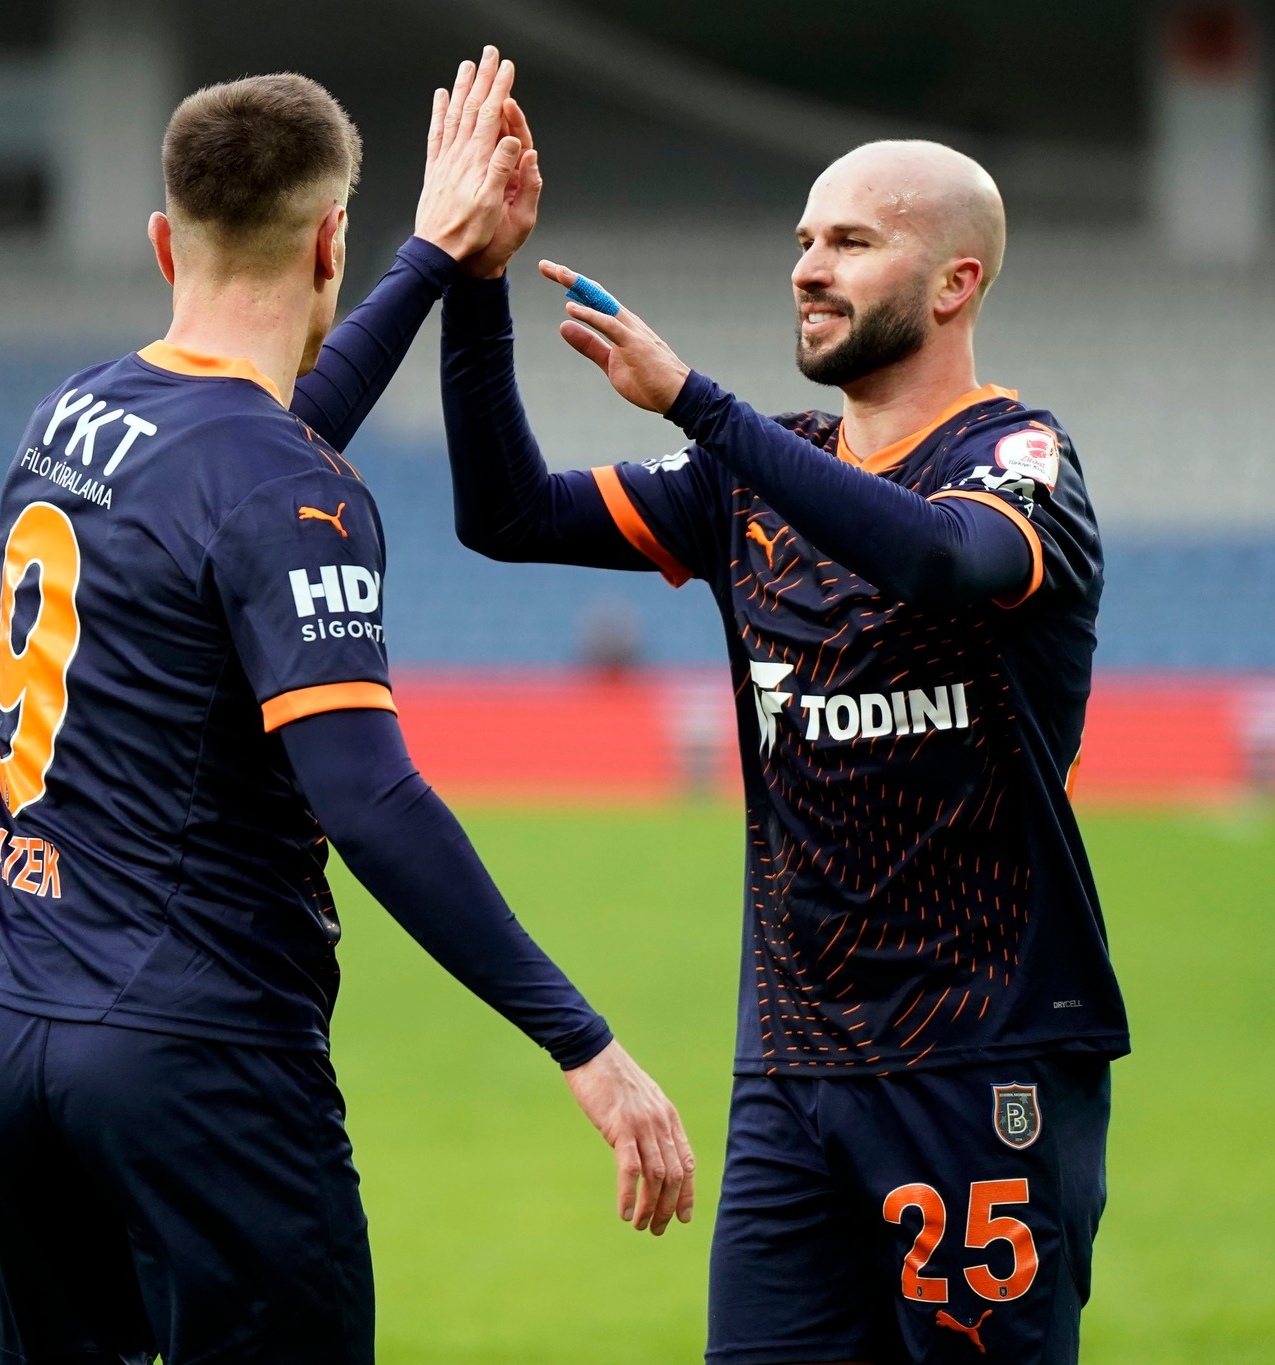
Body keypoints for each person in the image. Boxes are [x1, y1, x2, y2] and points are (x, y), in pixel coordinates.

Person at [0, 51, 693, 1365]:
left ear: (164, 239)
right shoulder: (285, 488)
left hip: (5, 1044)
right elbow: (369, 798)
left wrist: (442, 261)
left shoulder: (71, 415)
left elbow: (260, 441)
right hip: (195, 1059)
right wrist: (583, 1042)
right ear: (328, 240)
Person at [438, 136, 1127, 1363]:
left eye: (851, 242)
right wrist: (475, 280)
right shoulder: (749, 478)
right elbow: (505, 513)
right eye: (803, 241)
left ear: (955, 282)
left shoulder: (1017, 460)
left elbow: (935, 557)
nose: (808, 267)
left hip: (980, 1061)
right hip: (790, 1074)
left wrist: (696, 406)